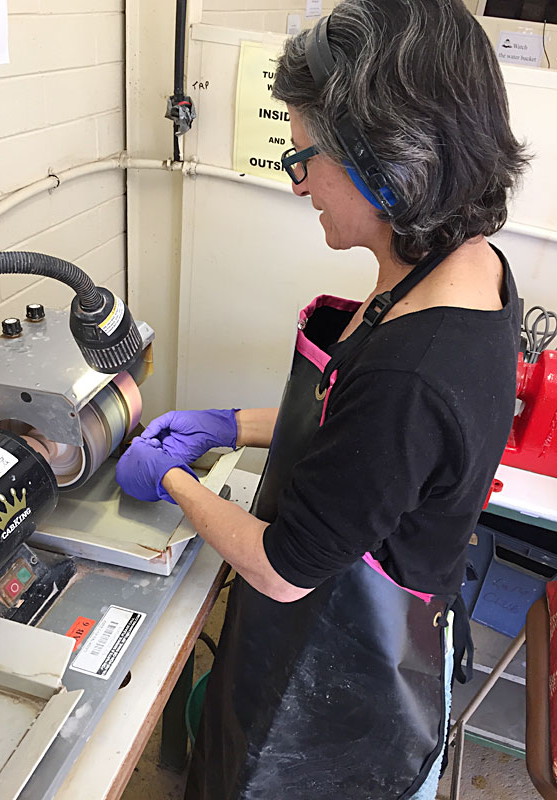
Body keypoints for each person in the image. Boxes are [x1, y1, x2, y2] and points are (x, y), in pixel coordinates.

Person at [115, 0, 528, 797]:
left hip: (344, 711)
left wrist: (172, 482)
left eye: (304, 157)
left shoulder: (416, 365)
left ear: (387, 163)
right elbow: (370, 447)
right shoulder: (467, 270)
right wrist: (231, 425)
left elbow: (280, 568)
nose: (298, 183)